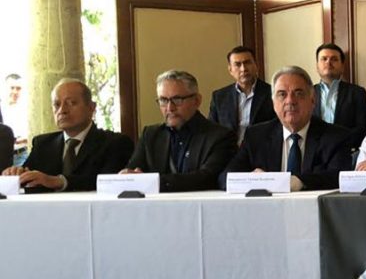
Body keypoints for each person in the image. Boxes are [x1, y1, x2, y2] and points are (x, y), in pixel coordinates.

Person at [221, 66, 352, 191]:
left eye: (298, 93)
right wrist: (252, 180)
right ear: (273, 103)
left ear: (313, 100)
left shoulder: (335, 137)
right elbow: (225, 177)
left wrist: (296, 182)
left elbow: (339, 177)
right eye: (282, 94)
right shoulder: (256, 136)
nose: (290, 101)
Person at [1, 79, 133, 192]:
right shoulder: (43, 144)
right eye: (57, 104)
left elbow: (108, 182)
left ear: (91, 108)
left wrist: (59, 181)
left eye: (71, 103)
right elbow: (28, 176)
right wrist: (16, 174)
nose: (62, 110)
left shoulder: (115, 143)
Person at [120, 70, 238, 192]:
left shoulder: (221, 137)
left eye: (177, 99)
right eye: (163, 100)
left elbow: (207, 178)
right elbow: (133, 174)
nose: (170, 108)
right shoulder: (150, 135)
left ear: (196, 101)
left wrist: (154, 182)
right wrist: (127, 177)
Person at [208, 46, 274, 143]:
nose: (243, 69)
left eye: (247, 63)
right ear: (230, 70)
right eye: (237, 65)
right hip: (229, 149)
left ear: (256, 65)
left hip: (262, 148)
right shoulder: (220, 97)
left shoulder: (272, 93)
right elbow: (211, 130)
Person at [313, 42, 366, 151]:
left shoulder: (357, 93)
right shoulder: (307, 93)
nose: (328, 62)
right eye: (324, 59)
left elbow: (362, 128)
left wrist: (337, 143)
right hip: (313, 152)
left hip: (345, 151)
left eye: (334, 59)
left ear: (342, 66)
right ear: (317, 66)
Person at [3, 74, 29, 165]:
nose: (15, 91)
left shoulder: (28, 109)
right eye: (12, 88)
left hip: (22, 155)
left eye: (18, 88)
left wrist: (24, 139)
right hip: (3, 156)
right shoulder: (1, 109)